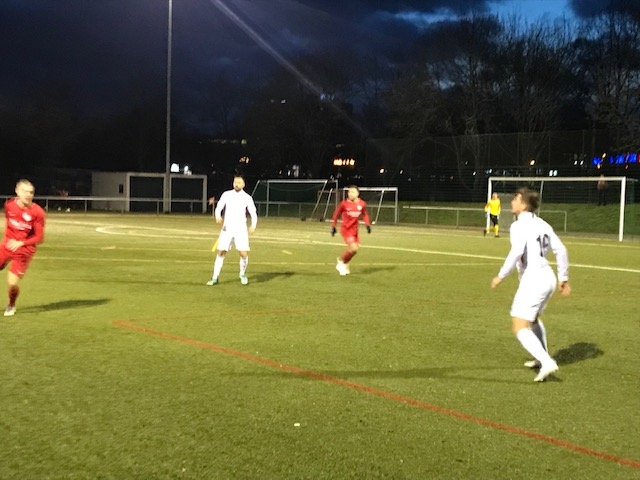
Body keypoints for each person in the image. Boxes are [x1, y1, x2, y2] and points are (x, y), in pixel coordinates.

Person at [490, 187, 570, 382]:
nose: (512, 202)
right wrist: (563, 277)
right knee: (532, 320)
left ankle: (547, 362)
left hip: (534, 279)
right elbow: (561, 250)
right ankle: (541, 356)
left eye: (516, 199)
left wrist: (501, 275)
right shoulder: (543, 224)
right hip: (548, 277)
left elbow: (516, 252)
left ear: (524, 205)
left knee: (519, 326)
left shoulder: (519, 226)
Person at [1, 179, 46, 316]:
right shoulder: (9, 205)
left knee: (12, 283)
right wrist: (6, 240)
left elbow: (39, 238)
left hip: (24, 251)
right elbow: (9, 223)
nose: (28, 195)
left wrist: (21, 243)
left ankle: (11, 304)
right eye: (25, 191)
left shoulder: (37, 212)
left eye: (31, 192)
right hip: (8, 245)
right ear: (17, 191)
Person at [206, 175, 257, 286]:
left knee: (243, 253)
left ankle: (242, 274)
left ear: (243, 184)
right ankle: (215, 277)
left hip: (241, 229)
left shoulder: (247, 198)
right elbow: (219, 207)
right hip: (227, 228)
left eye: (239, 182)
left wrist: (253, 225)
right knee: (221, 252)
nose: (236, 184)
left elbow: (253, 212)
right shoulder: (227, 194)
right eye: (235, 182)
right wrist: (218, 216)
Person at [330, 185, 372, 275]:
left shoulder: (362, 204)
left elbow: (365, 214)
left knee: (355, 250)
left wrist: (367, 225)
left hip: (355, 230)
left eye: (353, 192)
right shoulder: (344, 204)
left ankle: (344, 263)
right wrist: (333, 226)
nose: (350, 194)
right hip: (346, 230)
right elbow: (336, 214)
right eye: (349, 192)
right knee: (354, 249)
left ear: (357, 193)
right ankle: (341, 262)